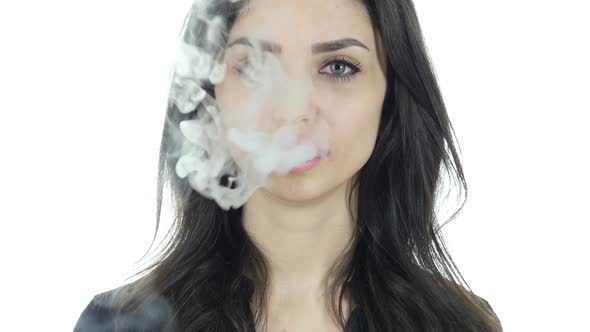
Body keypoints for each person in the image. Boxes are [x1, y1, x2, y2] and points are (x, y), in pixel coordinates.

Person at [74, 0, 503, 331]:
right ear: (212, 94)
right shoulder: (118, 323)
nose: (294, 109)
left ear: (390, 98)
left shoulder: (458, 325)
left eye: (338, 66)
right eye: (256, 67)